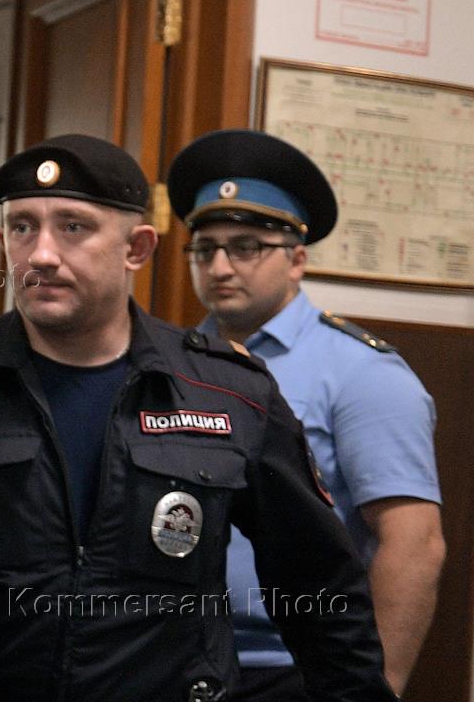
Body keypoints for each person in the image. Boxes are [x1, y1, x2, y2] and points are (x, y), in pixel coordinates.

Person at [0, 134, 398, 702]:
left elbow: (318, 583)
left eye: (73, 227)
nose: (42, 254)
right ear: (3, 241)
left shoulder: (227, 392)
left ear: (137, 248)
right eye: (23, 227)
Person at [167, 128, 444, 700]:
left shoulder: (360, 372)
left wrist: (374, 689)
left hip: (290, 666)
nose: (220, 266)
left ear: (297, 259)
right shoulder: (170, 364)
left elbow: (413, 543)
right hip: (171, 659)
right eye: (205, 248)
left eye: (246, 247)